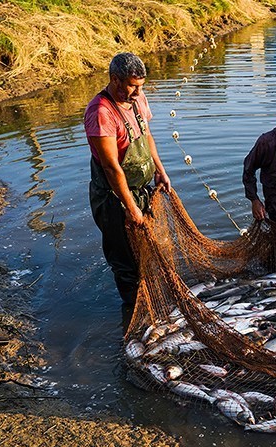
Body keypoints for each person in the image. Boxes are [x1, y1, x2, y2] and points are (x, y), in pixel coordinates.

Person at [84, 52, 171, 306]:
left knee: (149, 252)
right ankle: (135, 314)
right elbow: (112, 167)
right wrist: (131, 208)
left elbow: (147, 137)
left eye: (140, 86)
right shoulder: (101, 112)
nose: (137, 92)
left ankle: (153, 303)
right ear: (115, 80)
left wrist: (160, 170)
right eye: (132, 86)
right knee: (127, 264)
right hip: (113, 198)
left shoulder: (138, 99)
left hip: (140, 189)